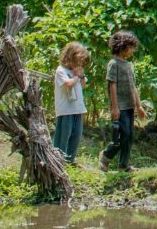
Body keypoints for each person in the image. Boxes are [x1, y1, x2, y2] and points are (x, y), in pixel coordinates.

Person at [100, 30, 145, 172]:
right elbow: (112, 85)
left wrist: (139, 105)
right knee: (122, 134)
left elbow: (133, 87)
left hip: (130, 105)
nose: (132, 50)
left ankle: (123, 165)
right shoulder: (113, 64)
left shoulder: (128, 65)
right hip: (120, 106)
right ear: (122, 46)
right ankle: (106, 155)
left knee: (129, 136)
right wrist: (115, 107)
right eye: (131, 47)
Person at [51, 42, 90, 165]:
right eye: (78, 61)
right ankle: (58, 160)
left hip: (78, 109)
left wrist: (81, 76)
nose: (80, 64)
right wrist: (77, 76)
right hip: (65, 110)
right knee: (64, 135)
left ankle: (70, 161)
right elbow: (68, 84)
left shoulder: (77, 72)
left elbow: (83, 85)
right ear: (70, 57)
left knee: (76, 135)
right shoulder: (61, 70)